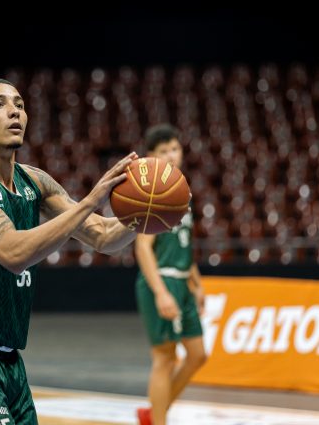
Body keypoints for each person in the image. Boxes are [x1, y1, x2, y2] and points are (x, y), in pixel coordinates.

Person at [0, 78, 143, 424]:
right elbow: (12, 253)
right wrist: (90, 201)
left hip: (7, 358)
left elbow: (103, 237)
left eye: (19, 105)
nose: (14, 112)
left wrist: (148, 215)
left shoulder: (35, 181)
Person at [134, 124, 206, 425]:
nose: (171, 155)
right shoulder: (152, 192)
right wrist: (161, 292)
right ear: (151, 157)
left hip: (182, 279)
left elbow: (183, 245)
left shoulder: (183, 192)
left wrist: (196, 283)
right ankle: (158, 419)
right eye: (163, 151)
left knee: (198, 354)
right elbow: (143, 247)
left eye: (175, 149)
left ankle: (154, 413)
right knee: (164, 359)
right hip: (161, 280)